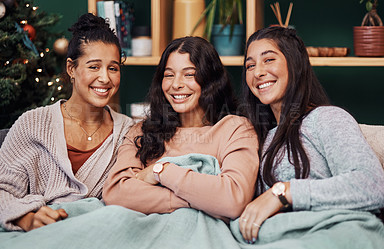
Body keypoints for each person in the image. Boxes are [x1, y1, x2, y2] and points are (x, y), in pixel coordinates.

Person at [0, 13, 133, 232]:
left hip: (98, 234)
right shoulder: (33, 124)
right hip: (35, 236)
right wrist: (25, 217)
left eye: (113, 68)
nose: (105, 78)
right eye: (93, 67)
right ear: (71, 68)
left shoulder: (129, 132)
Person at [238, 26, 384, 247]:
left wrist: (284, 192)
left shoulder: (324, 118)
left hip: (330, 233)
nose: (257, 72)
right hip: (275, 238)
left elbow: (372, 185)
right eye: (250, 65)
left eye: (268, 60)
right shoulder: (257, 139)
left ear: (294, 64)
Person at [103, 36, 259, 221]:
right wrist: (198, 200)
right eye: (168, 75)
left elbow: (233, 200)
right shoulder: (142, 132)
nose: (176, 84)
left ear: (210, 81)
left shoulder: (235, 129)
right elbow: (115, 192)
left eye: (189, 74)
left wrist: (161, 171)